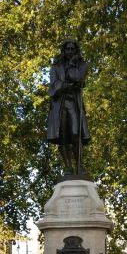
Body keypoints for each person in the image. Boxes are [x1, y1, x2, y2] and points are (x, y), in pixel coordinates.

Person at [47, 39, 91, 180]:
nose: (70, 51)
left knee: (75, 134)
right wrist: (65, 85)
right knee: (63, 137)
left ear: (76, 50)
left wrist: (72, 66)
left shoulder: (82, 65)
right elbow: (54, 86)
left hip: (74, 105)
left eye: (73, 49)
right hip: (59, 106)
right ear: (63, 51)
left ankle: (79, 166)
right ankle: (68, 168)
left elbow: (78, 78)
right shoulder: (55, 67)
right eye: (68, 49)